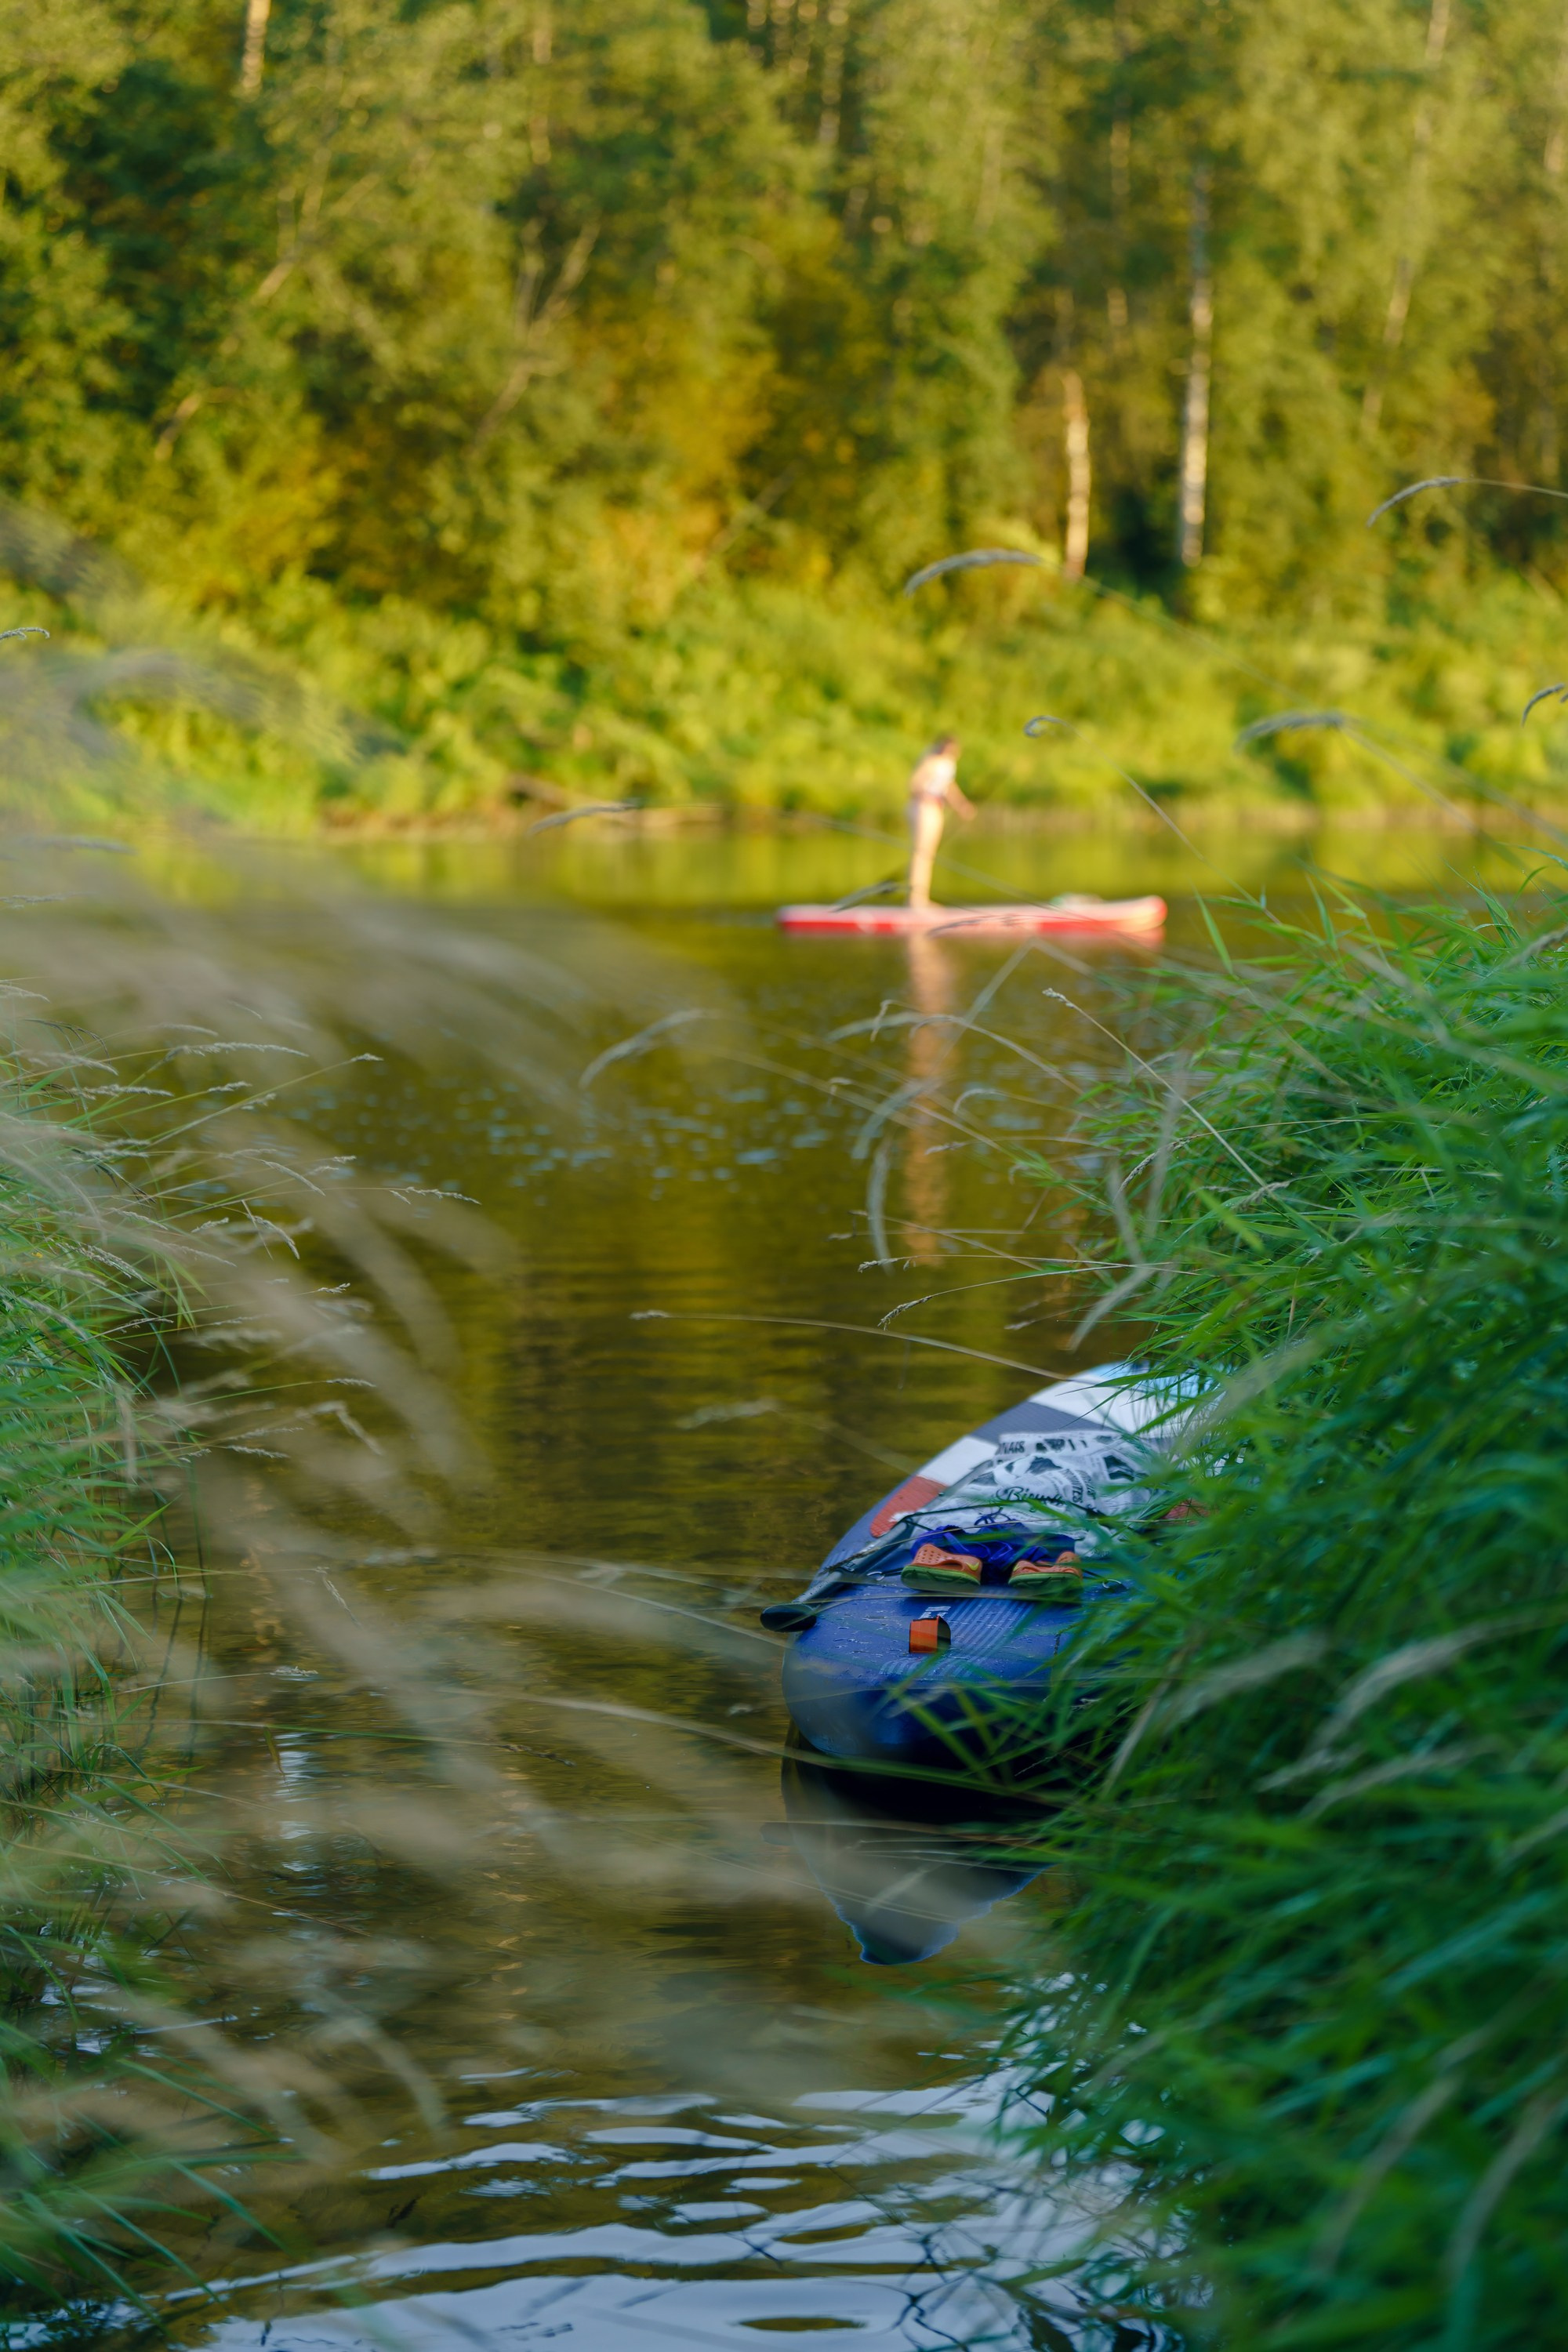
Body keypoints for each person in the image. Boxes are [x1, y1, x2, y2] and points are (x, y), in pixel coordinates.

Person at [906, 735, 973, 910]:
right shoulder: (931, 761)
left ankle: (922, 899)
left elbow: (948, 787)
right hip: (923, 808)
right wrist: (929, 796)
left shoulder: (949, 764)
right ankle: (915, 901)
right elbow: (914, 785)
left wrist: (962, 806)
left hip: (936, 809)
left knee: (928, 855)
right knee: (921, 854)